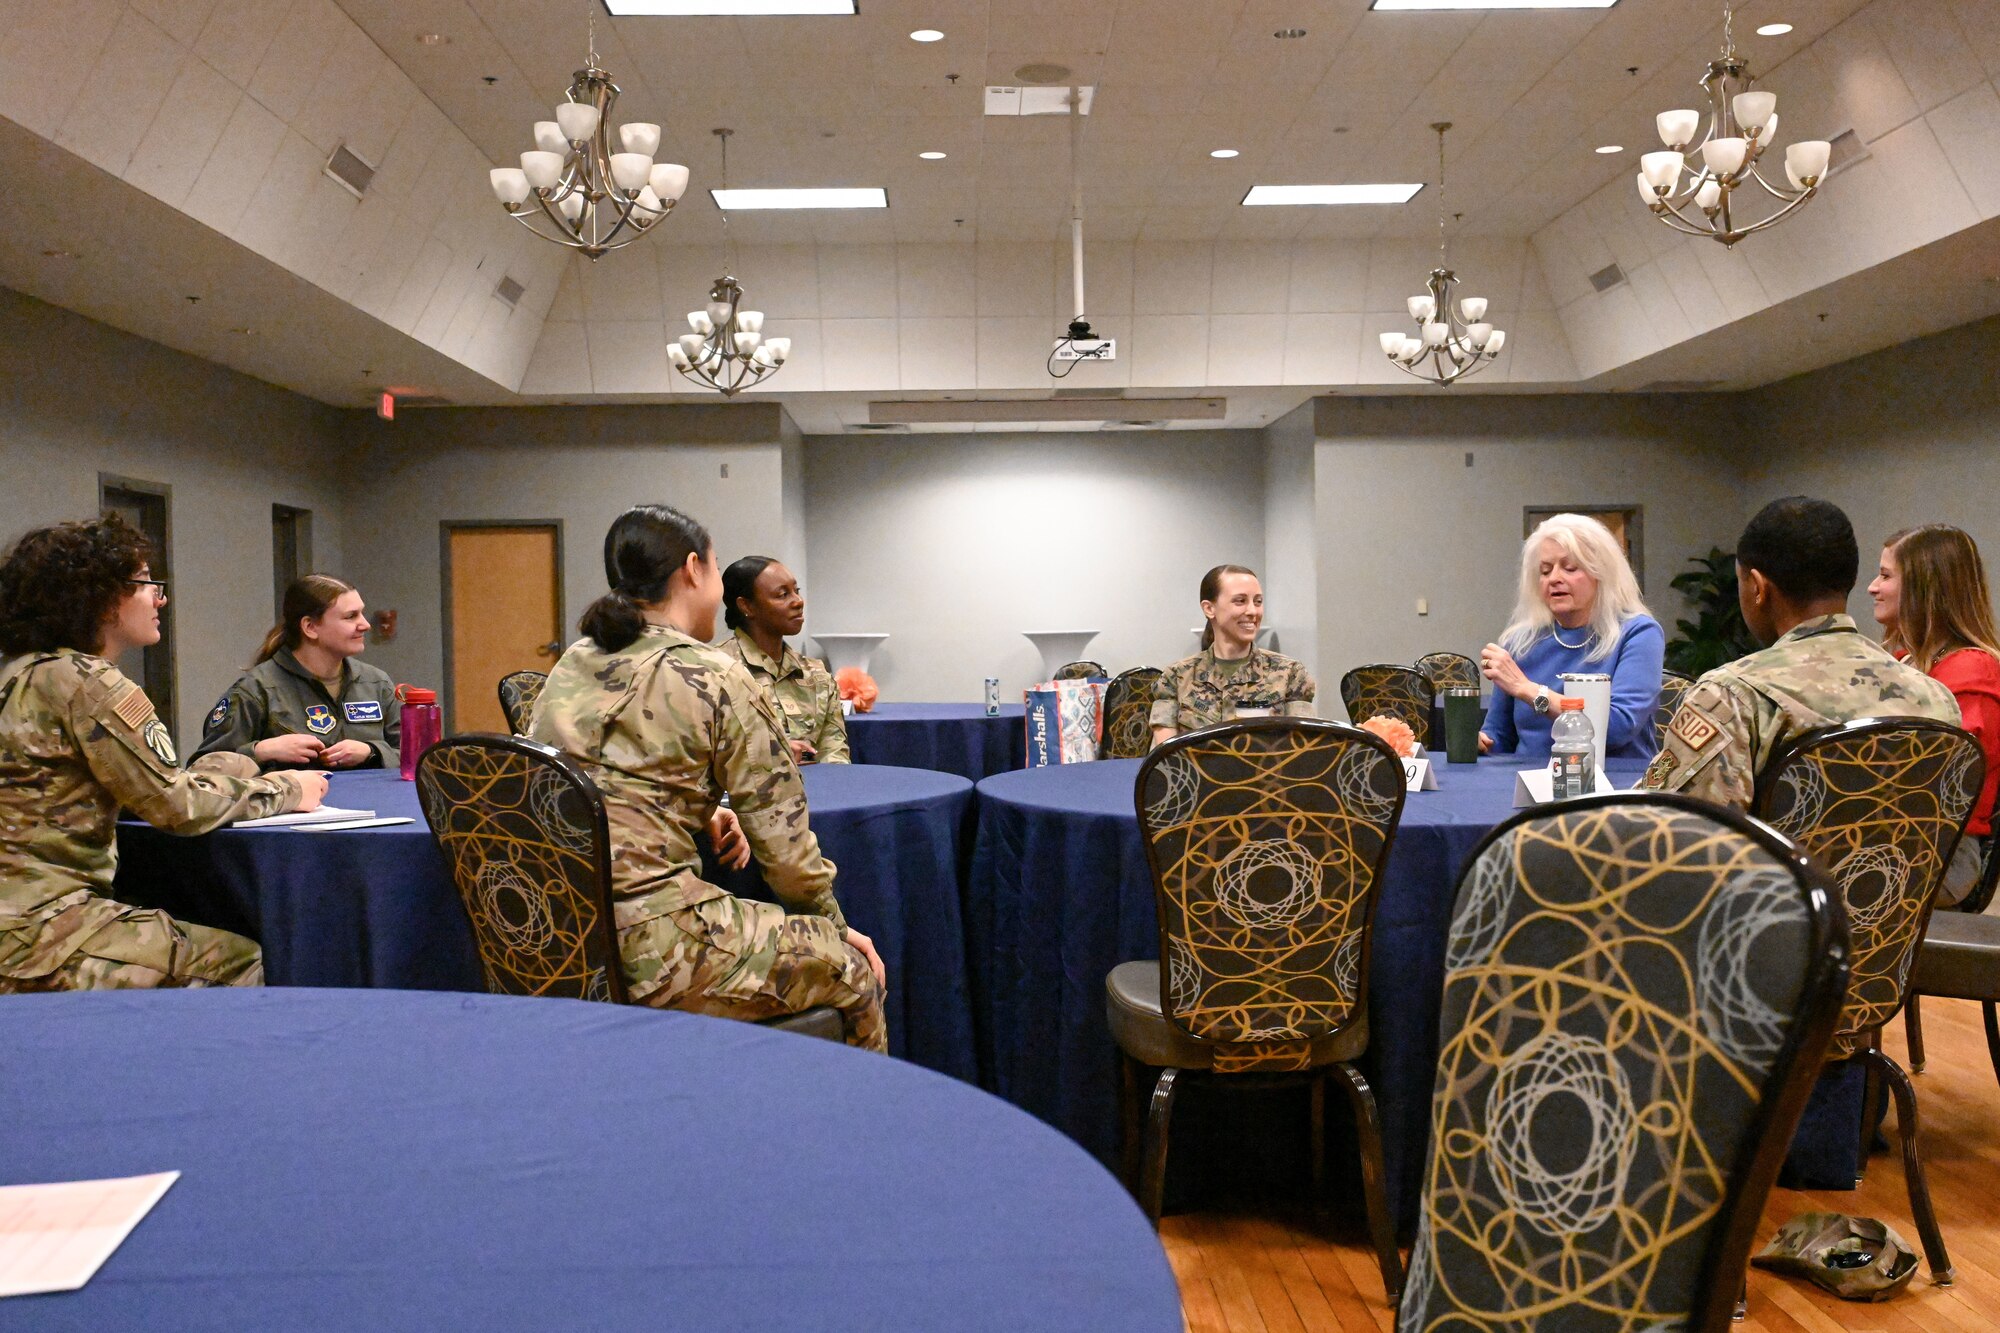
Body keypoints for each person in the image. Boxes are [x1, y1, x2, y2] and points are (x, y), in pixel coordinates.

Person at [531, 505, 887, 1051]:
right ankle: (852, 1131)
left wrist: (704, 808)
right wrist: (838, 930)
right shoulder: (717, 673)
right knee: (851, 970)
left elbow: (576, 777)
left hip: (554, 933)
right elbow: (788, 857)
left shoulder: (573, 663)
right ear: (693, 569)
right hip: (650, 947)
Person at [0, 516, 327, 992]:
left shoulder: (23, 673)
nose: (160, 597)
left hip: (17, 917)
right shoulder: (90, 684)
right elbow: (178, 808)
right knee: (241, 960)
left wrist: (233, 765)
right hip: (42, 929)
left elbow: (134, 787)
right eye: (145, 583)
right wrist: (286, 789)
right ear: (102, 595)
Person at [1644, 497, 1959, 808]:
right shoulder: (1935, 697)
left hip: (1775, 861)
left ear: (1757, 587)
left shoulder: (1733, 697)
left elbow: (1673, 832)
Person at [1869, 524, 2000, 905]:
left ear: (1926, 589)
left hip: (1941, 853)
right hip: (1888, 839)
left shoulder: (1973, 671)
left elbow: (1935, 783)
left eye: (1885, 575)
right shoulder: (1901, 662)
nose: (1872, 588)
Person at [1479, 513, 1664, 761]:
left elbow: (1618, 728)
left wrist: (1529, 691)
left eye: (1570, 568)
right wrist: (1482, 742)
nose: (1555, 578)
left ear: (1601, 573)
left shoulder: (1638, 633)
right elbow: (1499, 736)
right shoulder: (1520, 641)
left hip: (1614, 784)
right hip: (1530, 783)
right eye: (1545, 571)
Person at [195, 575, 399, 771]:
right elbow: (205, 769)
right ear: (310, 627)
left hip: (372, 804)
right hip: (295, 804)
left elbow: (413, 757)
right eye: (351, 616)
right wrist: (261, 751)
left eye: (361, 613)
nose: (365, 624)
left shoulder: (375, 683)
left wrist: (372, 751)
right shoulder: (257, 690)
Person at [1150, 564, 1316, 746]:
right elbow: (1165, 760)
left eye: (1258, 602)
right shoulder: (1176, 678)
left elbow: (1302, 751)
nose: (1253, 611)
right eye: (1240, 601)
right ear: (1209, 608)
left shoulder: (1290, 674)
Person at [718, 555, 848, 766]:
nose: (798, 601)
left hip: (821, 795)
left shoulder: (816, 675)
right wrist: (775, 753)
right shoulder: (716, 670)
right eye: (782, 594)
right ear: (746, 606)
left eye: (796, 591)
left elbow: (835, 754)